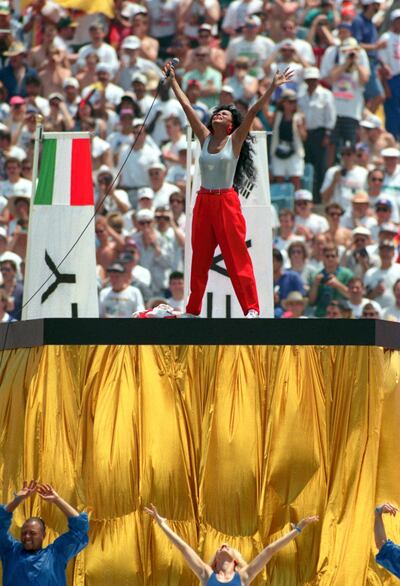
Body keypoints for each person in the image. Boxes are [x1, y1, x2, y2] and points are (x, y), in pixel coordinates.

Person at [164, 59, 293, 318]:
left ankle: (251, 308)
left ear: (231, 125)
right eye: (216, 113)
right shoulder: (204, 136)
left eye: (223, 114)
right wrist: (173, 81)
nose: (217, 115)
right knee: (199, 258)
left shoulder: (234, 141)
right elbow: (187, 106)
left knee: (236, 257)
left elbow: (254, 111)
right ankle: (192, 310)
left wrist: (272, 88)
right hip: (203, 200)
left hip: (225, 201)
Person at [145, 503, 318, 585]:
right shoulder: (206, 575)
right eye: (221, 547)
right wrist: (163, 525)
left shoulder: (243, 576)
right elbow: (183, 548)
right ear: (216, 558)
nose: (224, 545)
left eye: (227, 546)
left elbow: (270, 551)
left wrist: (297, 530)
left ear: (235, 559)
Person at [0, 480, 89, 586]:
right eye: (24, 533)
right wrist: (16, 501)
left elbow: (80, 529)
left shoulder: (56, 555)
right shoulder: (11, 552)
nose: (27, 536)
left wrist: (57, 500)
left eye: (32, 533)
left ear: (43, 535)